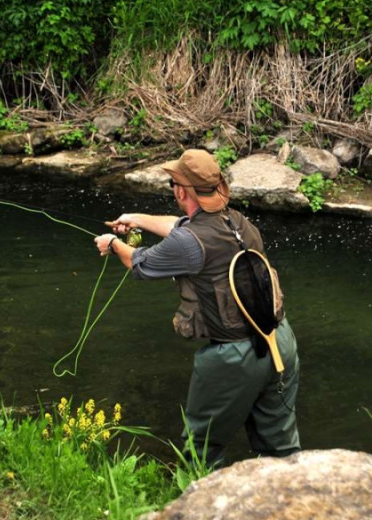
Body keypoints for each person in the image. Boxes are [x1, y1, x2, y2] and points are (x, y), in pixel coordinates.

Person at [94, 149, 300, 466]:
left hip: (234, 358)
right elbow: (181, 227)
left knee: (201, 450)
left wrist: (112, 243)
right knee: (280, 447)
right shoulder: (238, 222)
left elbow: (138, 264)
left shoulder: (189, 242)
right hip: (279, 341)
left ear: (180, 190)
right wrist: (136, 220)